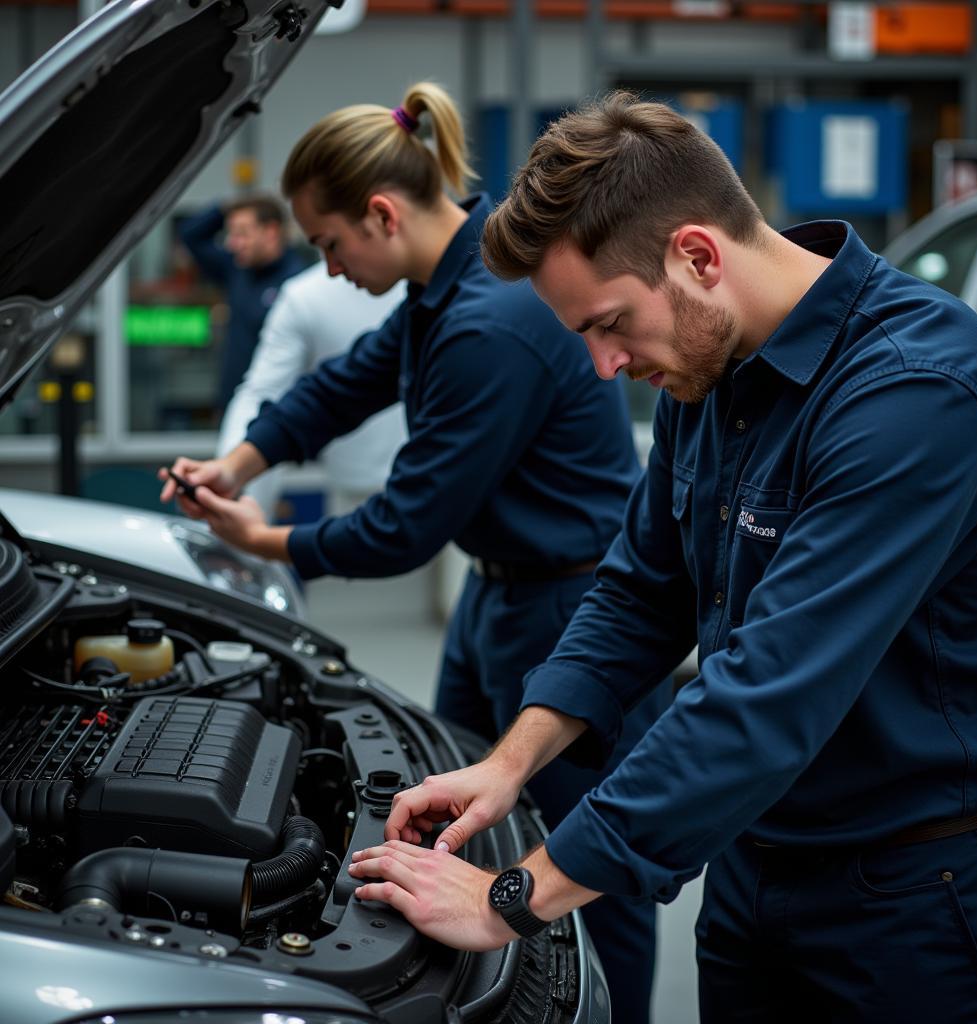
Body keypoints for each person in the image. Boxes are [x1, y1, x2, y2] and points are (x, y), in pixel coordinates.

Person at [348, 93, 977, 1022]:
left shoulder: (917, 395)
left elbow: (765, 696)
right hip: (752, 870)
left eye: (609, 324)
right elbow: (639, 590)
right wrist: (510, 765)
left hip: (916, 902)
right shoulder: (708, 370)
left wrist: (514, 898)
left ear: (698, 255)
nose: (604, 366)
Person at [159, 83, 669, 1024]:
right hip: (499, 601)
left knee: (586, 869)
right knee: (458, 826)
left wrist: (263, 539)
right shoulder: (446, 286)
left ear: (382, 213)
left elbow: (406, 524)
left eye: (329, 241)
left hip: (568, 613)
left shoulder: (488, 322)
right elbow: (346, 384)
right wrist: (238, 462)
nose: (328, 264)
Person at [217, 263, 406, 520]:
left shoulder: (438, 291)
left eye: (332, 243)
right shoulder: (306, 296)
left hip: (450, 486)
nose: (334, 268)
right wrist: (234, 472)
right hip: (359, 494)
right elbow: (315, 396)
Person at [179, 194, 306, 412]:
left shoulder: (298, 282)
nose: (232, 243)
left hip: (277, 408)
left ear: (271, 232)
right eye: (231, 234)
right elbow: (190, 235)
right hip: (233, 402)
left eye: (242, 234)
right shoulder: (237, 270)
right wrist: (224, 207)